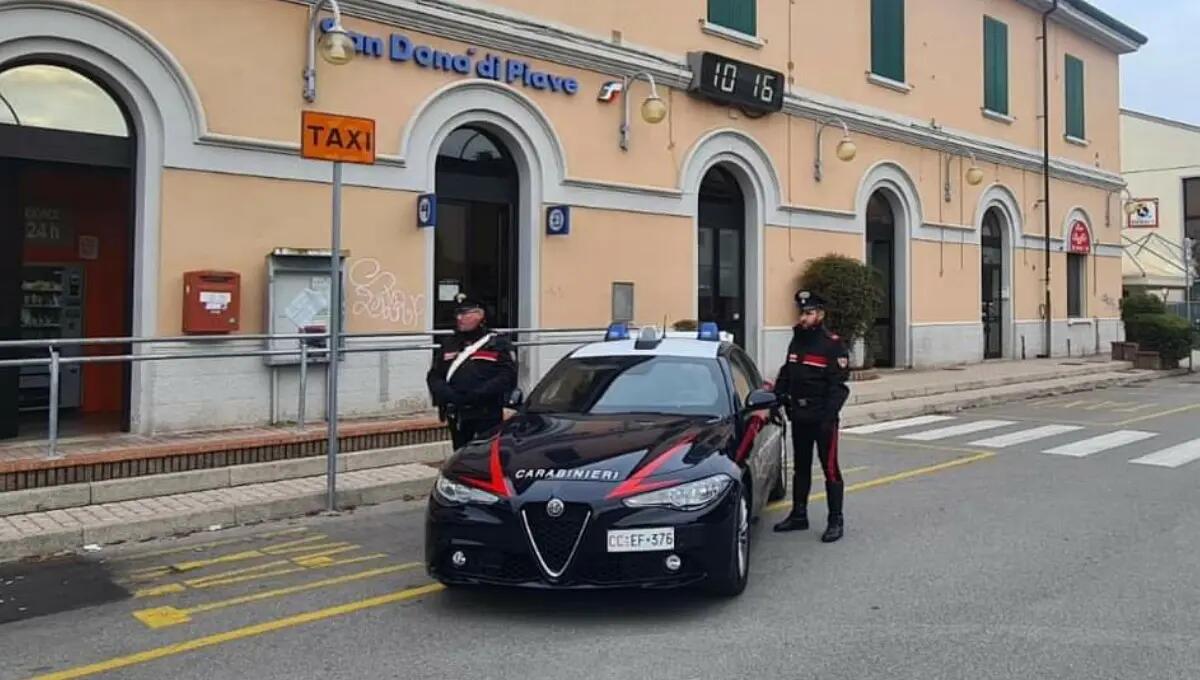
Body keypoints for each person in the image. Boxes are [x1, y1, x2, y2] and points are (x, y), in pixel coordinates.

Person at [771, 290, 851, 543]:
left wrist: (828, 417)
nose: (804, 318)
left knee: (830, 469)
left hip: (822, 418)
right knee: (801, 468)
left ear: (820, 314)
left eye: (809, 313)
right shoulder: (797, 340)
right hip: (800, 415)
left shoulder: (832, 344)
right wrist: (778, 396)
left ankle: (835, 520)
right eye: (802, 313)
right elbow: (788, 372)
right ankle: (799, 515)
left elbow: (839, 387)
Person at [426, 294, 517, 449]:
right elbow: (434, 376)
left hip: (486, 412)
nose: (459, 318)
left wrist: (477, 394)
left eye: (464, 314)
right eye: (458, 314)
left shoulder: (497, 343)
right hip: (458, 412)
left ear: (480, 315)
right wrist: (448, 394)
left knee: (485, 453)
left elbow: (507, 376)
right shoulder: (450, 343)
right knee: (461, 452)